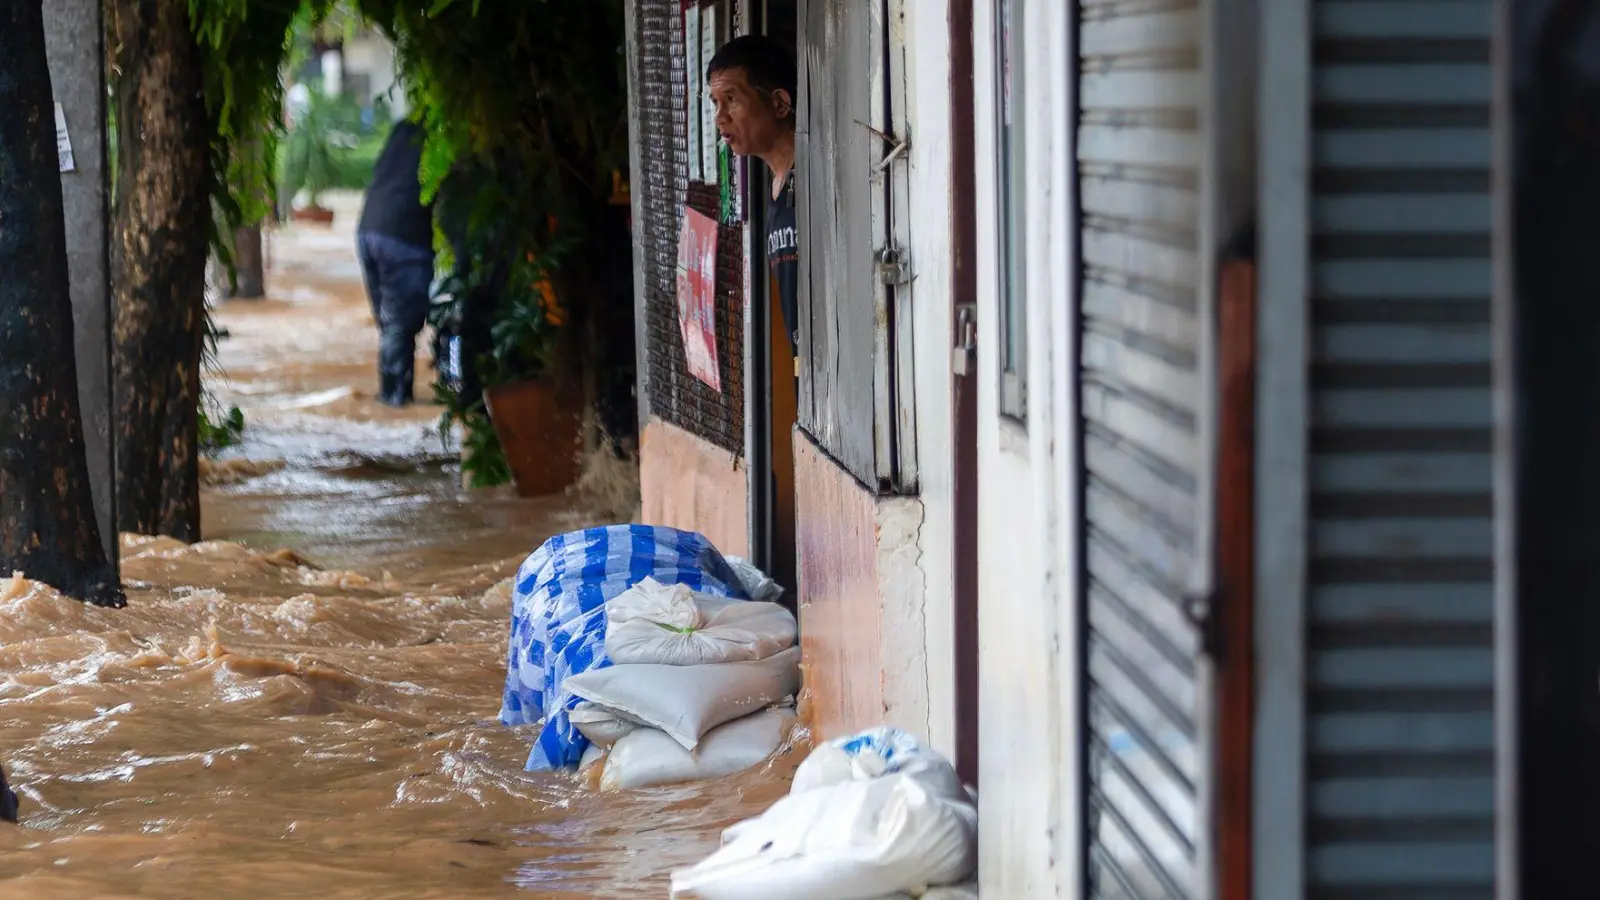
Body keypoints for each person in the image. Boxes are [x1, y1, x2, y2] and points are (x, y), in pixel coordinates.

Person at [707, 36, 799, 362]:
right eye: (715, 102)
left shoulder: (814, 180)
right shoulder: (772, 191)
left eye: (731, 99)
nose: (720, 117)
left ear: (779, 104)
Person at [356, 120, 435, 406]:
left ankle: (390, 395)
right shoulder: (435, 142)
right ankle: (395, 398)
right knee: (400, 324)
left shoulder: (401, 133)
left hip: (368, 232)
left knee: (389, 322)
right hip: (404, 238)